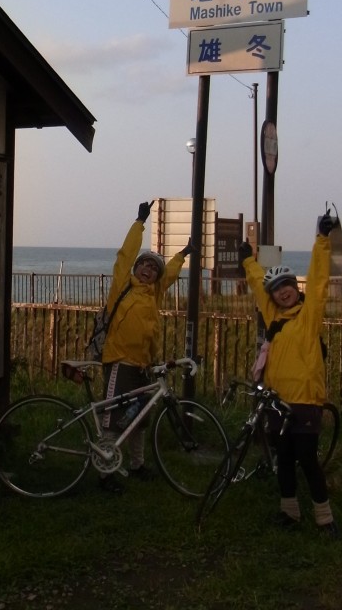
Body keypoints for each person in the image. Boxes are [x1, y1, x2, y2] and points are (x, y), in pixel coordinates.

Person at [237, 209, 339, 536]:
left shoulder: (308, 317)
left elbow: (320, 279)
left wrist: (322, 240)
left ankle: (325, 519)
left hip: (306, 400)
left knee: (307, 459)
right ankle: (289, 513)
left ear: (296, 288)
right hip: (277, 401)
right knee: (283, 458)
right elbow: (256, 284)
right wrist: (247, 261)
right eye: (277, 289)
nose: (283, 292)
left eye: (287, 286)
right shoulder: (274, 319)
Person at [100, 199, 193, 491]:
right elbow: (124, 256)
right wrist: (139, 222)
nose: (147, 270)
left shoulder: (155, 294)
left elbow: (172, 274)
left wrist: (183, 254)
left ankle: (137, 465)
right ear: (136, 268)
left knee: (139, 418)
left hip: (143, 366)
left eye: (153, 268)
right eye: (144, 265)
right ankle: (105, 472)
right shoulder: (122, 288)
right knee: (113, 419)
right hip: (119, 361)